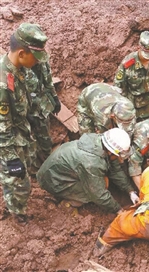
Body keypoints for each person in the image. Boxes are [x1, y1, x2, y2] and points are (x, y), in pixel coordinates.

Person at [0, 22, 49, 224]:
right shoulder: (3, 84)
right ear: (22, 53)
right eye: (34, 57)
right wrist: (11, 159)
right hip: (8, 141)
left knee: (22, 172)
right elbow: (2, 128)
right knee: (19, 181)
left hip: (21, 133)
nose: (37, 62)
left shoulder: (19, 70)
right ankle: (17, 213)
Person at [37, 128, 139, 214]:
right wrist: (118, 210)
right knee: (97, 188)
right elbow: (98, 194)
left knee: (102, 181)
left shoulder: (98, 142)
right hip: (53, 180)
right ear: (111, 151)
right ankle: (69, 203)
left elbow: (115, 170)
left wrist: (130, 191)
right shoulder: (91, 163)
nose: (119, 158)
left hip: (57, 171)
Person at [114, 31, 149, 121]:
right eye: (147, 54)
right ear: (139, 48)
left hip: (147, 105)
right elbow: (118, 88)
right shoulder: (128, 64)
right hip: (129, 104)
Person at [25, 60, 61, 178]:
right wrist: (26, 114)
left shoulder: (42, 60)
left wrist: (55, 98)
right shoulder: (16, 67)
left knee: (45, 140)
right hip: (25, 112)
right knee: (28, 143)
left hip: (42, 107)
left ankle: (46, 166)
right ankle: (34, 171)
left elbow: (48, 81)